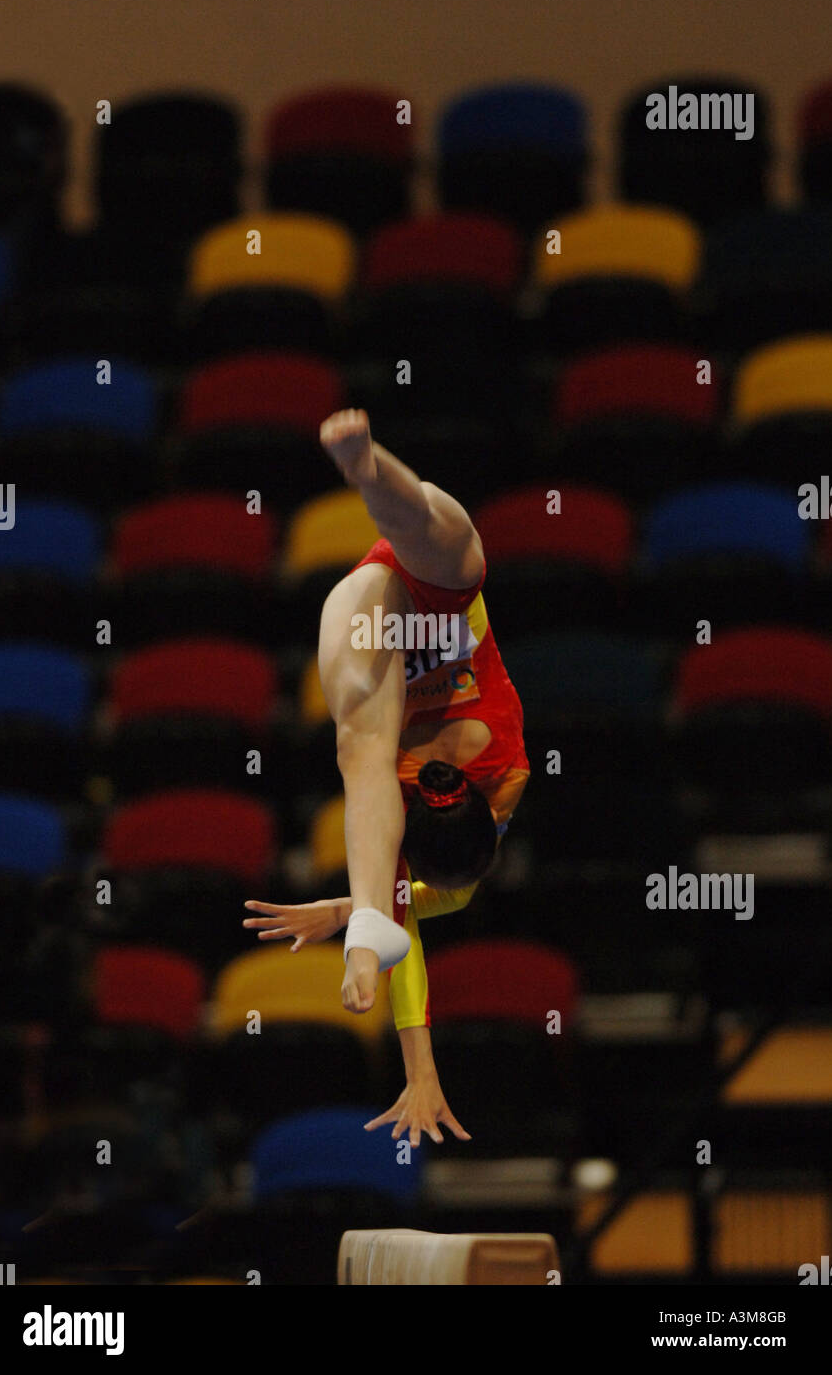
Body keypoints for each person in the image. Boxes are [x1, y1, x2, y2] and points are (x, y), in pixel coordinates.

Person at [243, 408, 529, 1145]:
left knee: (366, 747)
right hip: (425, 607)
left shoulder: (478, 787)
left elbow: (416, 910)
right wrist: (357, 911)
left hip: (380, 629)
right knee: (442, 542)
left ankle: (364, 930)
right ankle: (367, 470)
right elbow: (433, 903)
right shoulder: (506, 772)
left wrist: (361, 916)